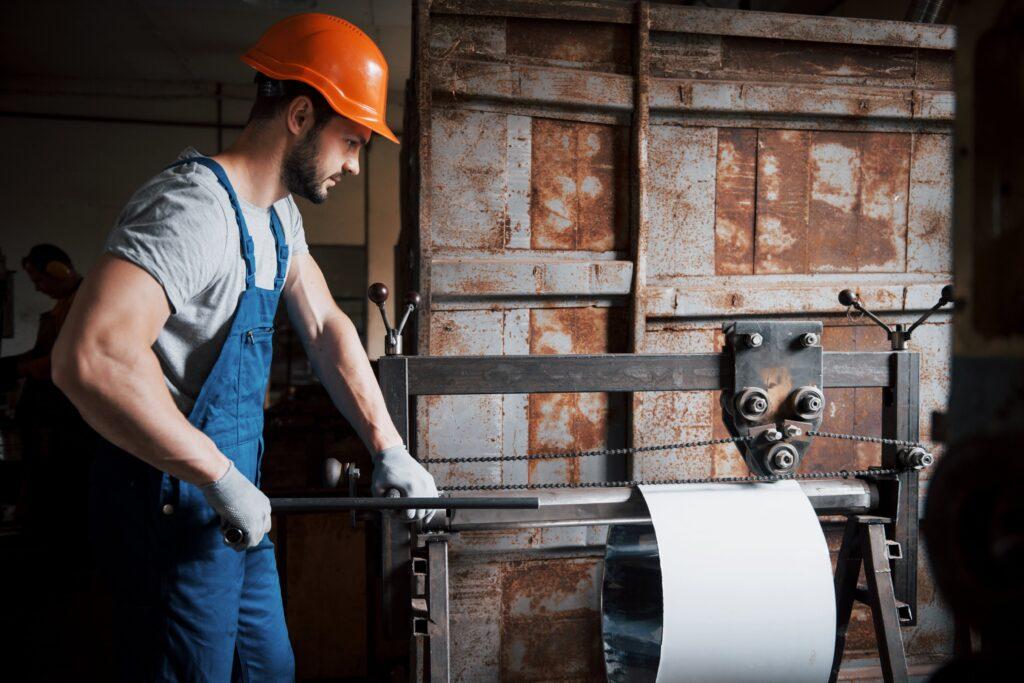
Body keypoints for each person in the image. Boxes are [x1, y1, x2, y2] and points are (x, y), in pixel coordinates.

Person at [52, 14, 437, 681]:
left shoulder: (278, 216)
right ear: (298, 115)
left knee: (267, 666)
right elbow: (89, 358)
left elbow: (324, 327)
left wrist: (389, 447)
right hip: (170, 500)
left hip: (231, 499)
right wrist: (219, 475)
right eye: (349, 141)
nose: (352, 163)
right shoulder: (192, 209)